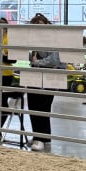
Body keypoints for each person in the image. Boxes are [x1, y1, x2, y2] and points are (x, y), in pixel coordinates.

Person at [25, 14, 65, 151]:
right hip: (36, 73)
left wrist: (37, 62)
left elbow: (55, 59)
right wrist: (34, 60)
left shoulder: (54, 37)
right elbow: (31, 57)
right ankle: (41, 136)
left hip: (50, 75)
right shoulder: (33, 39)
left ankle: (40, 137)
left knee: (43, 105)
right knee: (33, 104)